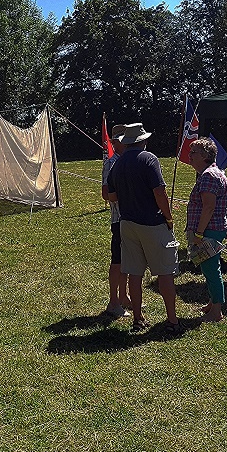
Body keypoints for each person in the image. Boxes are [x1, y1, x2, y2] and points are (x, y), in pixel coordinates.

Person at [106, 123, 181, 333]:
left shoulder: (117, 164)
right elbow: (159, 192)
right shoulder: (149, 159)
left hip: (127, 224)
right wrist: (168, 217)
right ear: (143, 141)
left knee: (134, 273)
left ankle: (138, 319)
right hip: (152, 223)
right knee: (165, 273)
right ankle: (172, 320)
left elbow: (111, 196)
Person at [186, 137, 227, 322]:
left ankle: (216, 312)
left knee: (212, 270)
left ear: (205, 156)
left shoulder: (208, 176)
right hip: (213, 228)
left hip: (208, 230)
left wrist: (199, 233)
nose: (189, 156)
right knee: (208, 269)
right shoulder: (215, 172)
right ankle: (212, 303)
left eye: (193, 153)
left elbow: (208, 207)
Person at [100, 124, 130, 320]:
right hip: (119, 218)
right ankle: (113, 302)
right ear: (116, 143)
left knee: (127, 260)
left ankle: (124, 297)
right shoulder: (111, 163)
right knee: (118, 261)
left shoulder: (125, 161)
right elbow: (105, 193)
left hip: (129, 219)